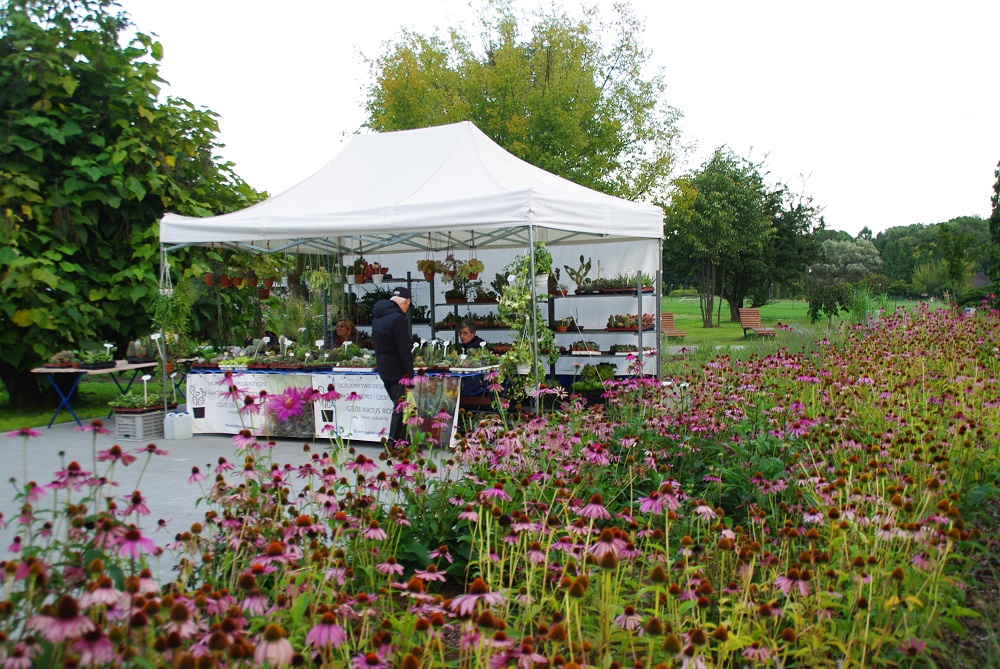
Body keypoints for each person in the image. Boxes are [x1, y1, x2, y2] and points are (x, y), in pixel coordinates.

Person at [371, 287, 414, 446]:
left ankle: (404, 441)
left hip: (384, 368)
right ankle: (393, 442)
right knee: (400, 407)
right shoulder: (398, 319)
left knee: (399, 404)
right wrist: (410, 377)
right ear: (405, 302)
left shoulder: (378, 317)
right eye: (408, 305)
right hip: (398, 371)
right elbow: (404, 350)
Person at [456, 320, 487, 396]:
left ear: (473, 333)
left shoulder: (481, 346)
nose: (462, 336)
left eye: (465, 333)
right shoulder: (463, 346)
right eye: (460, 333)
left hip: (475, 381)